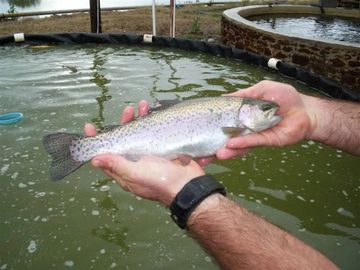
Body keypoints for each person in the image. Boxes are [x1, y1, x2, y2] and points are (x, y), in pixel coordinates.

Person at [84, 80, 360, 269]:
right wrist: (310, 112)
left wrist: (183, 190)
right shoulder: (240, 122)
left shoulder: (241, 121)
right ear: (246, 114)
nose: (273, 113)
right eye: (266, 110)